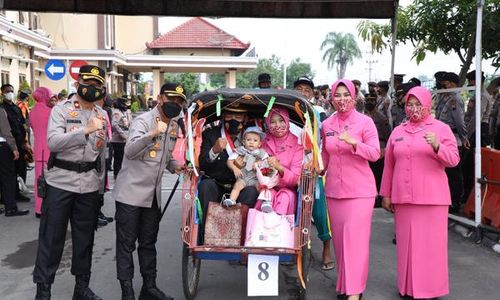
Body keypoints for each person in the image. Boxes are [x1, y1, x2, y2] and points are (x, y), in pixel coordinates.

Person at [33, 65, 108, 300]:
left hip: (88, 184)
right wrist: (85, 130)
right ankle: (43, 290)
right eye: (88, 83)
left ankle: (81, 288)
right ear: (77, 84)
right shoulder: (60, 110)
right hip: (60, 183)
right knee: (51, 237)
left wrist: (101, 187)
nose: (92, 88)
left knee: (85, 238)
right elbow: (53, 142)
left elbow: (101, 153)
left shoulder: (102, 115)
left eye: (97, 85)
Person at [380, 86, 459, 299]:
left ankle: (431, 289)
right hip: (404, 198)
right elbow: (389, 165)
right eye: (409, 104)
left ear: (427, 105)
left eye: (418, 104)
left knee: (431, 247)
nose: (413, 108)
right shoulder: (398, 131)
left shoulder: (441, 128)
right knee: (407, 245)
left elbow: (453, 159)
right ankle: (408, 287)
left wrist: (437, 146)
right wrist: (385, 194)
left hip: (432, 199)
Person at [113, 82, 186, 300]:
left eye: (180, 101)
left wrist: (176, 166)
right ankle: (127, 291)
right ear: (160, 98)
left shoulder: (172, 125)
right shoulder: (143, 121)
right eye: (171, 99)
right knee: (126, 245)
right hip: (131, 194)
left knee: (148, 243)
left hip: (153, 196)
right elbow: (130, 151)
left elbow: (166, 157)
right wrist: (152, 134)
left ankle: (149, 287)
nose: (175, 104)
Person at [322, 79, 380, 300]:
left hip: (360, 192)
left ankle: (355, 291)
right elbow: (325, 155)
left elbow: (375, 153)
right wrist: (318, 167)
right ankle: (345, 284)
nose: (342, 99)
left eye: (347, 94)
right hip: (335, 191)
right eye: (338, 95)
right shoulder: (327, 124)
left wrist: (354, 143)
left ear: (355, 97)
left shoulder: (365, 123)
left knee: (355, 241)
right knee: (340, 241)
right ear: (332, 98)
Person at [198, 102, 259, 243]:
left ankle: (241, 236)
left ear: (245, 118)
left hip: (241, 186)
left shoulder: (252, 137)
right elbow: (203, 164)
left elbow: (260, 161)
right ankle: (206, 233)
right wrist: (214, 150)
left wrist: (247, 164)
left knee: (252, 191)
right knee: (205, 186)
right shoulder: (211, 134)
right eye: (229, 115)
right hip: (217, 184)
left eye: (238, 116)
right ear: (224, 116)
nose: (233, 119)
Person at [293, 76, 334, 270]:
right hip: (290, 168)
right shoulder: (286, 110)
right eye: (299, 88)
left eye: (307, 89)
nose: (303, 92)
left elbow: (325, 141)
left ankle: (326, 247)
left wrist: (321, 164)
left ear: (312, 93)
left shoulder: (319, 112)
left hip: (313, 168)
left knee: (319, 210)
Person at [436, 72, 468, 213]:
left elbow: (459, 122)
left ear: (454, 84)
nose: (445, 85)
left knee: (454, 172)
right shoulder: (445, 98)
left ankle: (455, 201)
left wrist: (464, 137)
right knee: (447, 172)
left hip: (454, 138)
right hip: (443, 138)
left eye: (448, 83)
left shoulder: (455, 99)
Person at [462, 70, 492, 202]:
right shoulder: (477, 94)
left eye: (470, 81)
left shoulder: (482, 96)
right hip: (474, 129)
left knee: (472, 164)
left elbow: (476, 118)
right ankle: (468, 194)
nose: (469, 84)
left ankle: (470, 195)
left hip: (478, 130)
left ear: (476, 81)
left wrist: (466, 135)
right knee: (468, 164)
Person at [0, 83, 32, 203]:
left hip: (20, 142)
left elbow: (23, 125)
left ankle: (18, 193)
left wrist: (26, 141)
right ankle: (7, 197)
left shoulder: (17, 108)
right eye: (7, 91)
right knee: (10, 172)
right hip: (8, 143)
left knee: (21, 168)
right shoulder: (2, 108)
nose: (10, 93)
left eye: (12, 91)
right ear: (2, 93)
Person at [226, 126, 269, 208]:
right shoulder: (240, 151)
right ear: (243, 142)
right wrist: (235, 168)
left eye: (255, 140)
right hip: (244, 177)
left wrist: (259, 164)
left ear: (260, 144)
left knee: (262, 187)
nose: (251, 142)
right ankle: (231, 200)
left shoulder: (262, 153)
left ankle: (266, 202)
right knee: (237, 186)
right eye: (248, 140)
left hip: (255, 178)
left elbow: (267, 163)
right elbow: (229, 161)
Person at [30, 87, 56, 218]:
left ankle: (38, 209)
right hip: (49, 150)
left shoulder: (32, 111)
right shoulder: (51, 112)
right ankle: (48, 208)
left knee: (38, 181)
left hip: (38, 149)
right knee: (51, 181)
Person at [364, 93, 391, 207]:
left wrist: (385, 149)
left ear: (376, 102)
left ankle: (379, 197)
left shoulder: (381, 117)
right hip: (366, 148)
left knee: (378, 174)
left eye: (372, 100)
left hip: (380, 148)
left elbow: (388, 135)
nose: (369, 103)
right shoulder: (363, 117)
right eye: (368, 100)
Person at [0, 105, 26, 216]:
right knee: (8, 178)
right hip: (2, 146)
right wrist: (14, 148)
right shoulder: (1, 111)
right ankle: (10, 208)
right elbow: (6, 131)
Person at [111, 96, 133, 178]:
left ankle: (122, 173)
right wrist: (123, 134)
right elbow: (114, 124)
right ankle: (117, 173)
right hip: (118, 139)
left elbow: (129, 123)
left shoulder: (124, 111)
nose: (126, 105)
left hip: (125, 138)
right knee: (118, 157)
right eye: (125, 103)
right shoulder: (116, 112)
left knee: (124, 157)